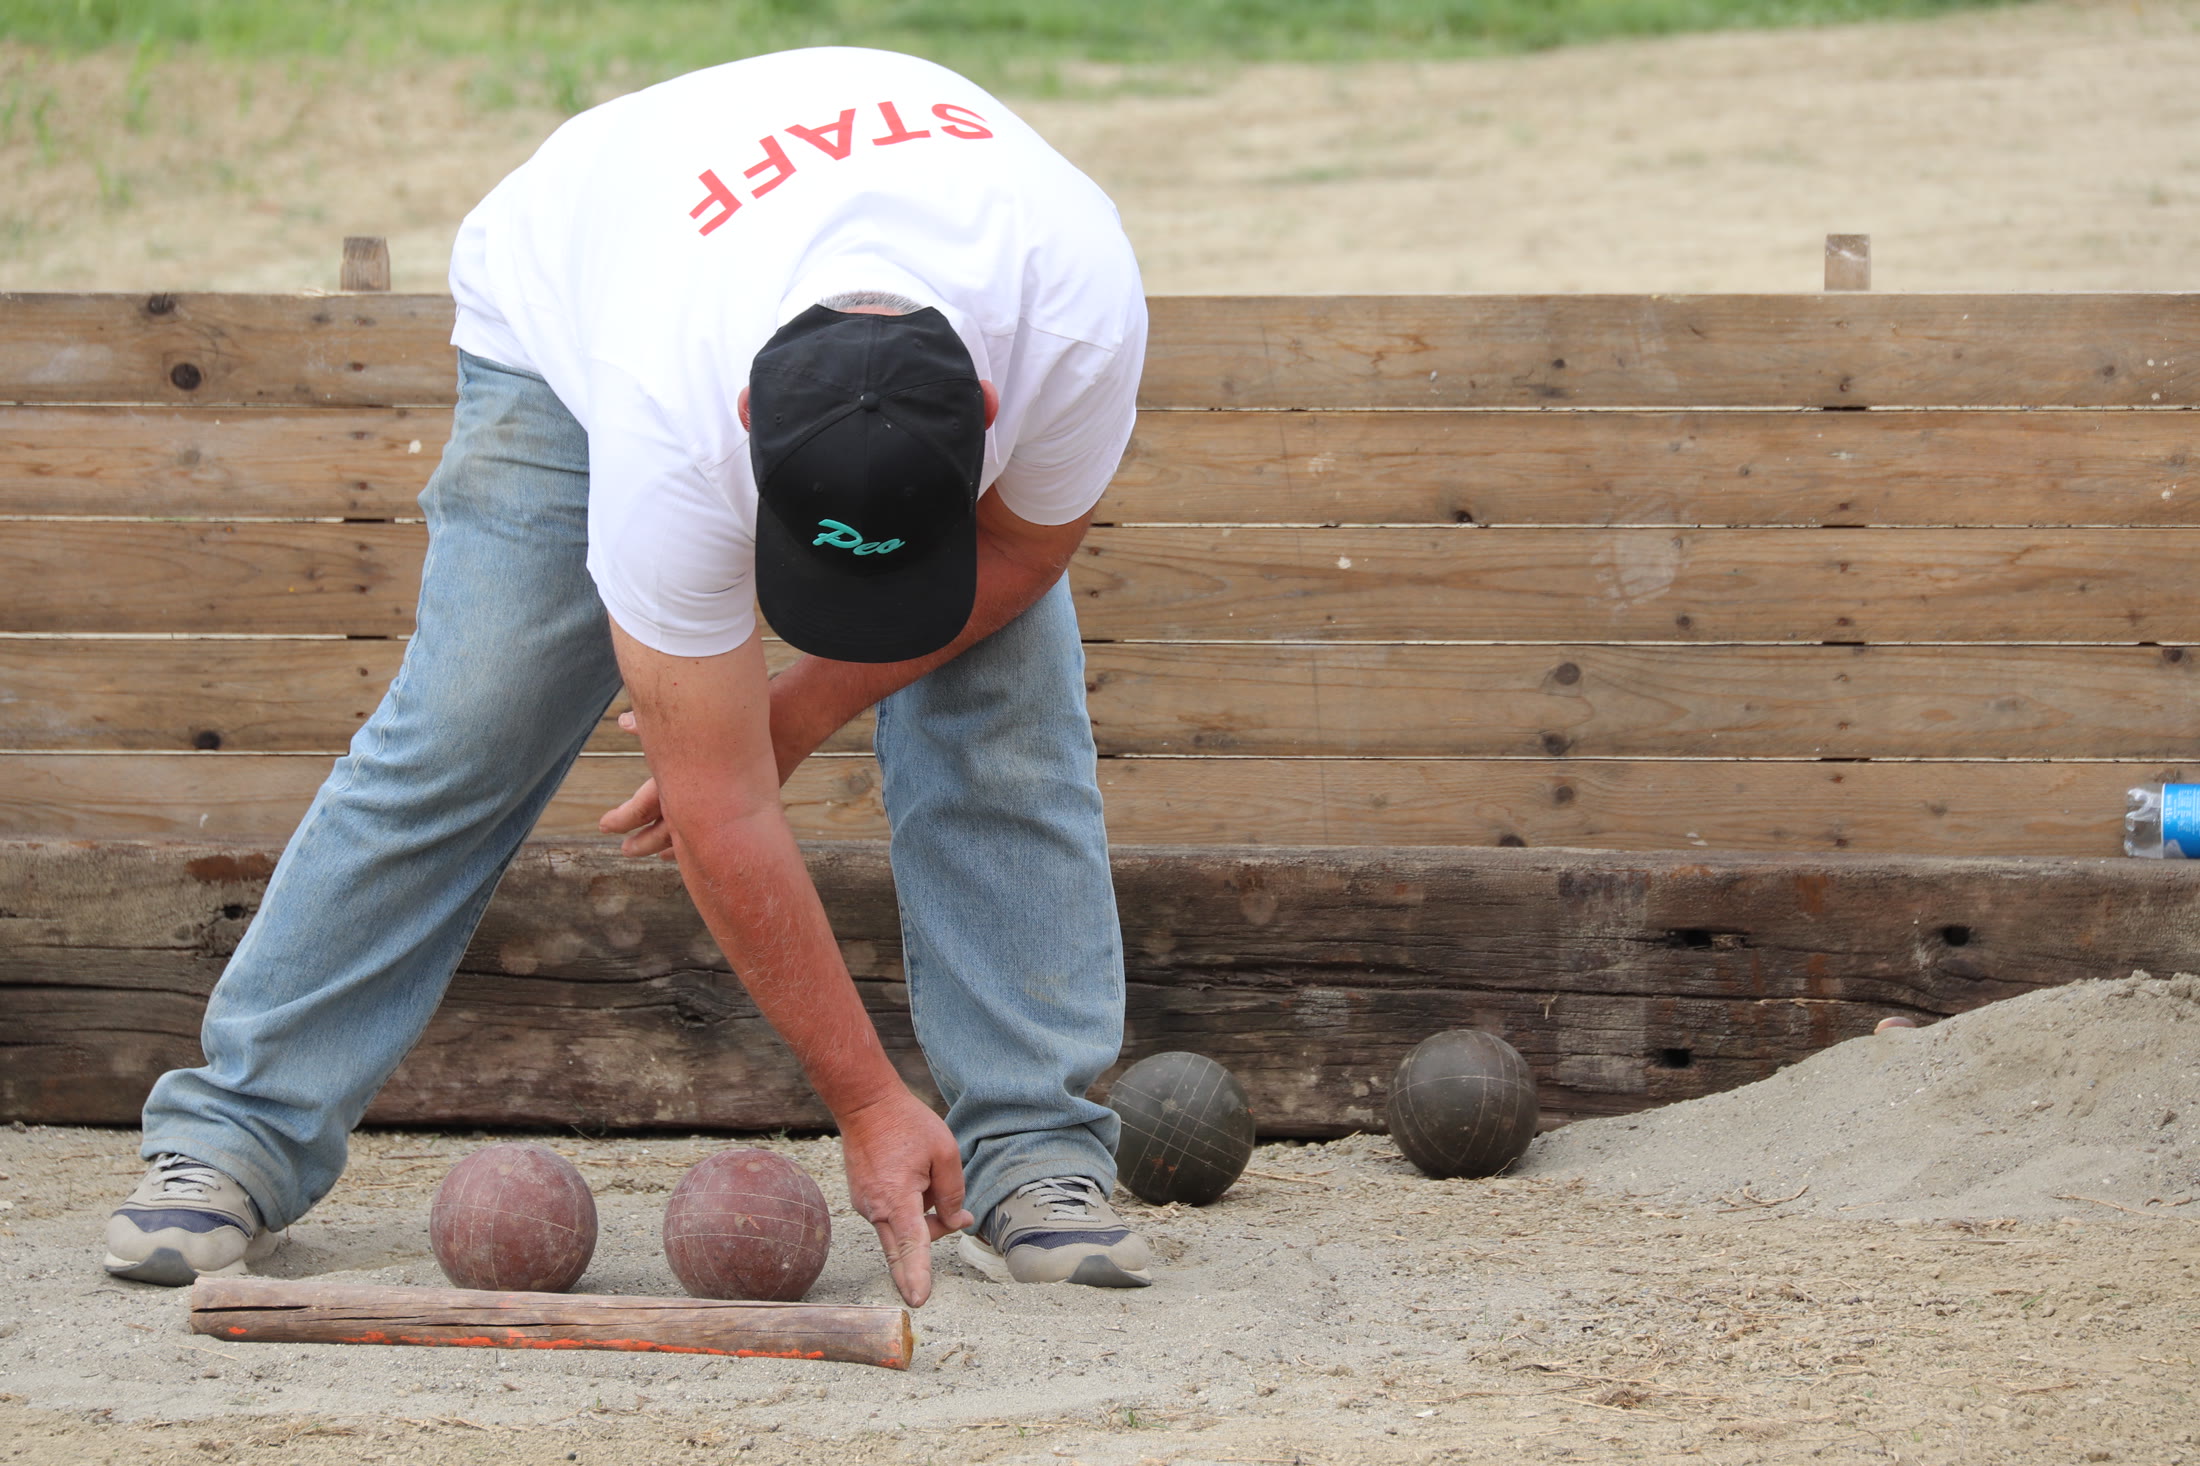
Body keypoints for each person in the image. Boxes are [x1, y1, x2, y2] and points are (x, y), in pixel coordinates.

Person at [102, 46, 1153, 1305]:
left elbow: (1022, 550)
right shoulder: (667, 410)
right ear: (751, 431)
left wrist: (804, 699)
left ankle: (1035, 1153)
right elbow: (720, 810)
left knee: (1002, 712)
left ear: (991, 405)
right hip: (576, 297)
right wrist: (869, 1100)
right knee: (472, 718)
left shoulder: (1074, 314)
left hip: (838, 249)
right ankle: (232, 1136)